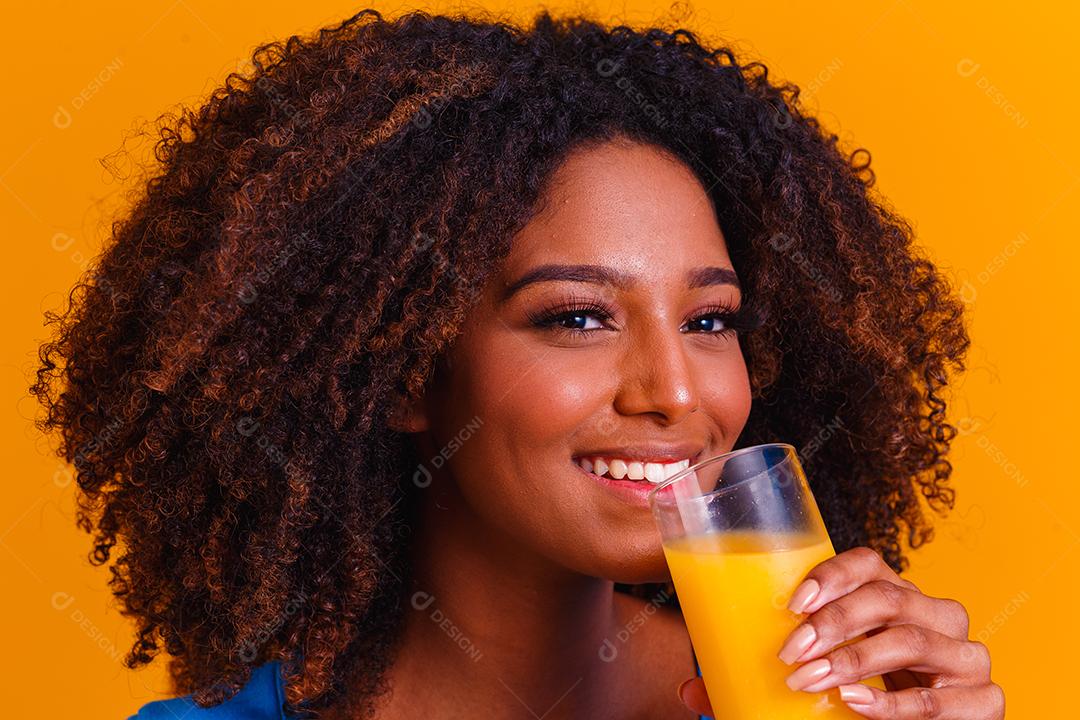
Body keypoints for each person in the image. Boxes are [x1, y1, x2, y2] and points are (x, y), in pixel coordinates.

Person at [30, 7, 1004, 719]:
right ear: (406, 371)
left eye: (710, 321)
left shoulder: (830, 703)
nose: (675, 391)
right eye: (580, 318)